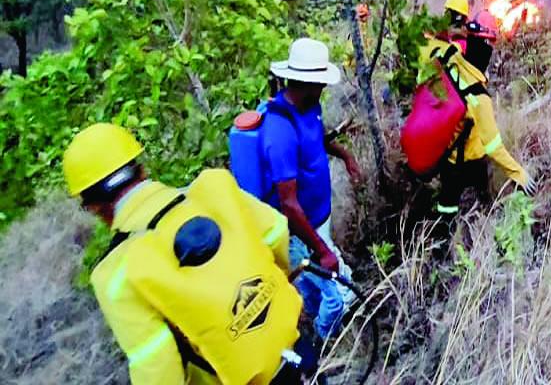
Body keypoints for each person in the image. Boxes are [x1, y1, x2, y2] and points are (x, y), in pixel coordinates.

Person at [64, 122, 309, 384]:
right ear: (142, 169)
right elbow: (276, 231)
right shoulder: (214, 190)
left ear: (92, 207)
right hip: (295, 346)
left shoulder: (115, 274)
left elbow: (158, 368)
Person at [260, 37, 362, 341]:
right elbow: (288, 204)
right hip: (300, 233)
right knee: (341, 296)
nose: (324, 88)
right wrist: (321, 250)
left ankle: (311, 321)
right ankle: (323, 341)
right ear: (304, 81)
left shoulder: (309, 106)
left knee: (309, 285)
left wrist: (345, 156)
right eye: (319, 82)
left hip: (319, 220)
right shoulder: (279, 130)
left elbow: (317, 140)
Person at [422, 12, 533, 236]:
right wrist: (517, 172)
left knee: (447, 206)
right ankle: (476, 235)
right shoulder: (479, 98)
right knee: (483, 200)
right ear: (486, 46)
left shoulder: (452, 59)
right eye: (490, 43)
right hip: (469, 159)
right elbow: (493, 147)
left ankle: (442, 242)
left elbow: (432, 40)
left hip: (446, 156)